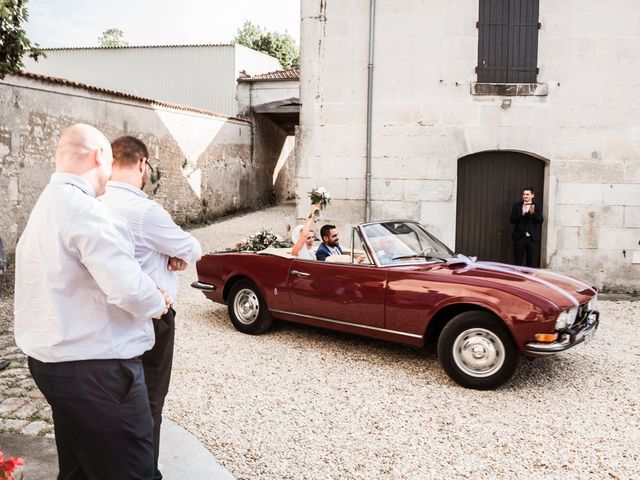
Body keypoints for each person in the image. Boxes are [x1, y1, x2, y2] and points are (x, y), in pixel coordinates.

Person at [14, 124, 170, 479]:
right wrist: (156, 299)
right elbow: (128, 289)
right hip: (99, 374)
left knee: (80, 469)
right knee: (133, 473)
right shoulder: (89, 211)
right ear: (101, 157)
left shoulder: (46, 205)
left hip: (53, 365)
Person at [100, 136, 202, 480]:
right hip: (152, 315)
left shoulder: (96, 201)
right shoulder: (144, 210)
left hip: (106, 318)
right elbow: (193, 246)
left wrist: (167, 252)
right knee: (150, 402)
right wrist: (176, 252)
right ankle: (146, 471)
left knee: (115, 401)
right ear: (142, 164)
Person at [510, 186, 543, 267]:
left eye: (527, 194)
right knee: (518, 261)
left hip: (532, 239)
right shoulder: (517, 206)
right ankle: (518, 278)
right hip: (519, 238)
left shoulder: (537, 206)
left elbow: (540, 220)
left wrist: (533, 214)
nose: (525, 196)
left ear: (532, 195)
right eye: (524, 194)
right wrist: (522, 214)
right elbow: (512, 220)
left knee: (531, 262)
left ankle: (529, 278)